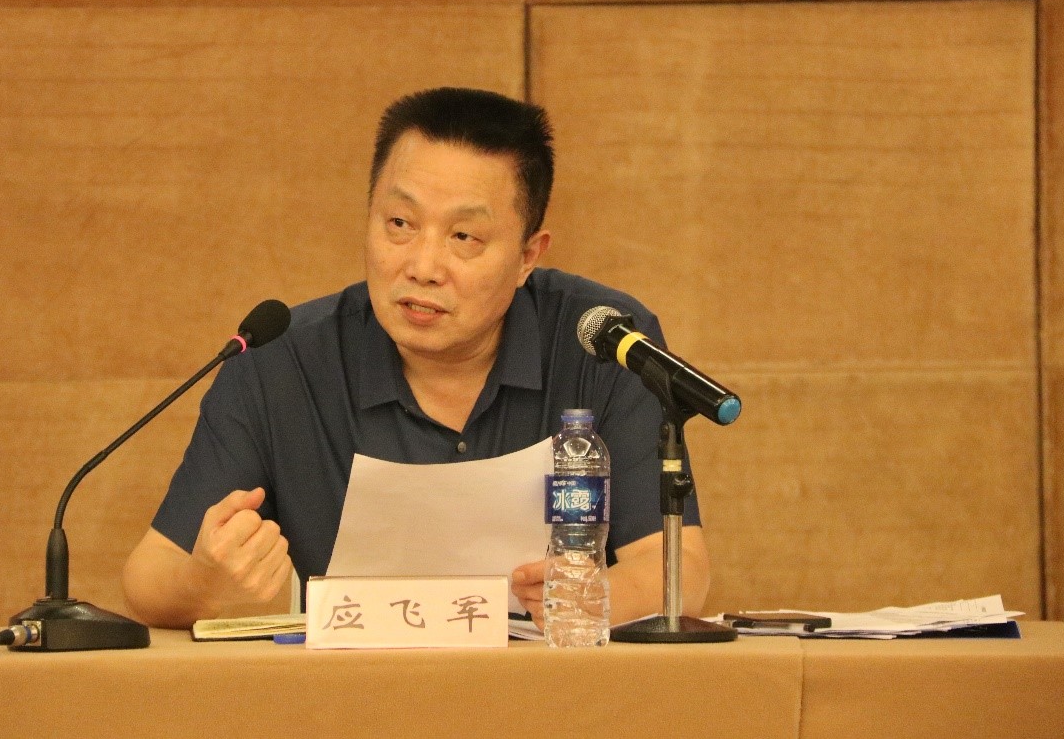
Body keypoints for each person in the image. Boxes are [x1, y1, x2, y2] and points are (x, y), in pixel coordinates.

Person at [122, 87, 711, 630]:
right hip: (352, 697)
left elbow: (679, 570)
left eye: (463, 238)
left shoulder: (602, 342)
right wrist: (205, 580)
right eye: (400, 224)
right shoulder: (281, 362)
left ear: (528, 256)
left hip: (548, 693)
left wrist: (589, 595)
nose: (423, 266)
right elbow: (148, 579)